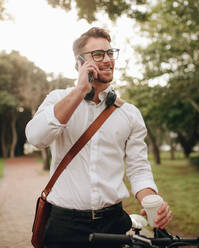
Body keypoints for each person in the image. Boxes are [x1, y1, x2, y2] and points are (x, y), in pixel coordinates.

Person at [25, 27, 172, 248]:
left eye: (110, 53)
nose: (107, 60)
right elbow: (37, 138)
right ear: (80, 63)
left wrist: (152, 201)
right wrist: (78, 91)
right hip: (64, 225)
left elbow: (138, 168)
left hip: (113, 223)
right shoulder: (58, 99)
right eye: (98, 55)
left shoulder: (129, 114)